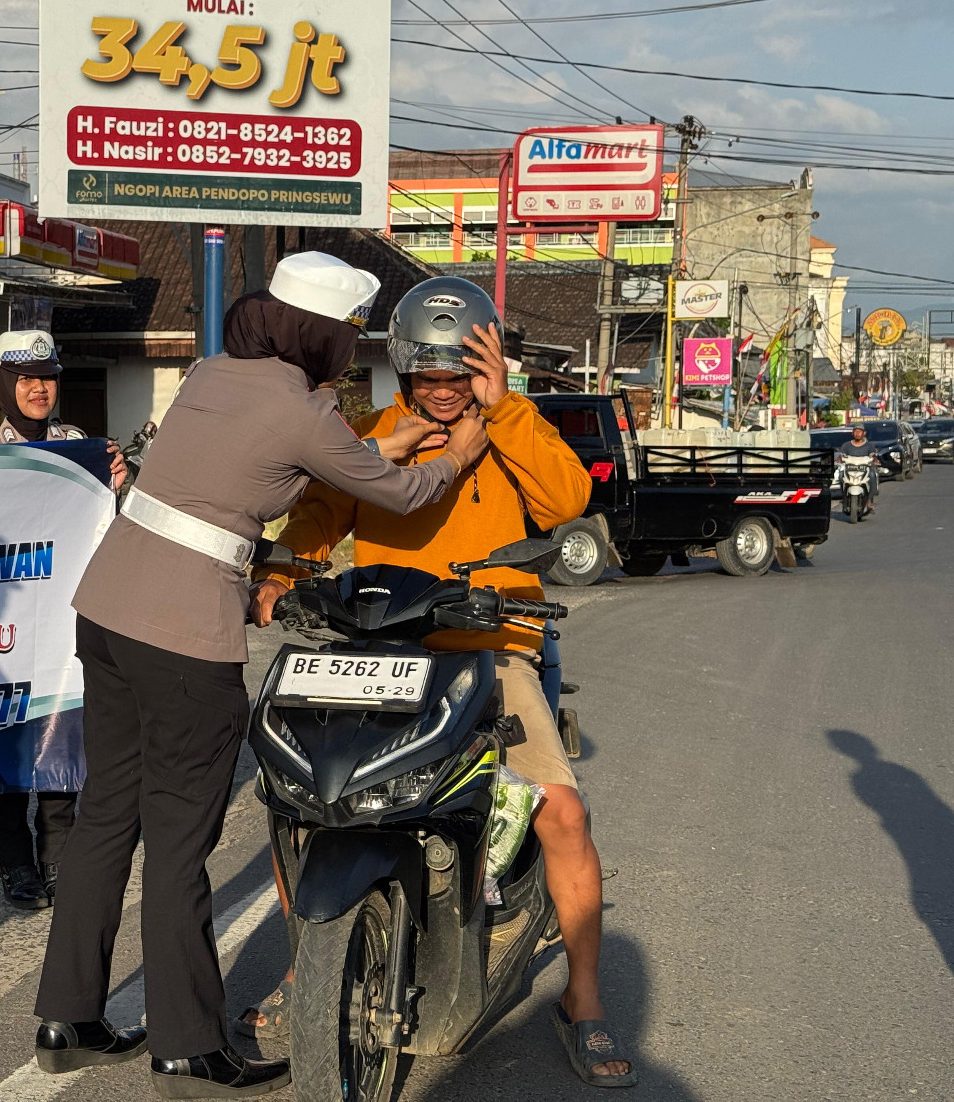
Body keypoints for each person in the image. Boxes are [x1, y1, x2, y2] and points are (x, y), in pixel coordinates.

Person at [32, 252, 489, 1097]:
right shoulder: (303, 409)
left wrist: (376, 445)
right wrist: (459, 449)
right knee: (177, 841)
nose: (353, 351)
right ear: (320, 334)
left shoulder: (214, 371)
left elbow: (273, 464)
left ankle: (67, 1018)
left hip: (108, 609)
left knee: (106, 820)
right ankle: (186, 1042)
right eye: (350, 336)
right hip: (182, 634)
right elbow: (399, 491)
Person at [251, 275, 636, 1088]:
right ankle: (306, 968)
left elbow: (566, 498)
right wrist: (286, 569)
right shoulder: (373, 436)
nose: (444, 391)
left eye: (460, 374)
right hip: (381, 653)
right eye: (430, 376)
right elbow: (319, 515)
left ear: (483, 367)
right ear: (403, 370)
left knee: (561, 810)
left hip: (492, 649)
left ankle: (586, 998)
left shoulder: (507, 428)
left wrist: (506, 405)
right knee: (300, 795)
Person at [0, 330, 127, 909]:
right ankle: (16, 867)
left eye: (48, 376)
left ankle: (58, 858)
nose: (39, 388)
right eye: (25, 378)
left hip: (65, 621)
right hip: (7, 629)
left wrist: (117, 484)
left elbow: (105, 527)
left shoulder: (81, 445)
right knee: (10, 749)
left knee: (64, 740)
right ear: (1, 386)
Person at [839, 424, 880, 513]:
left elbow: (873, 455)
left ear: (864, 433)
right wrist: (839, 460)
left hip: (865, 469)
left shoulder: (869, 445)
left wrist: (875, 460)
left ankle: (869, 500)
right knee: (841, 475)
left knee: (872, 476)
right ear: (853, 433)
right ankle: (845, 498)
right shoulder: (846, 445)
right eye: (856, 431)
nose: (857, 433)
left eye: (859, 431)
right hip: (850, 469)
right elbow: (841, 456)